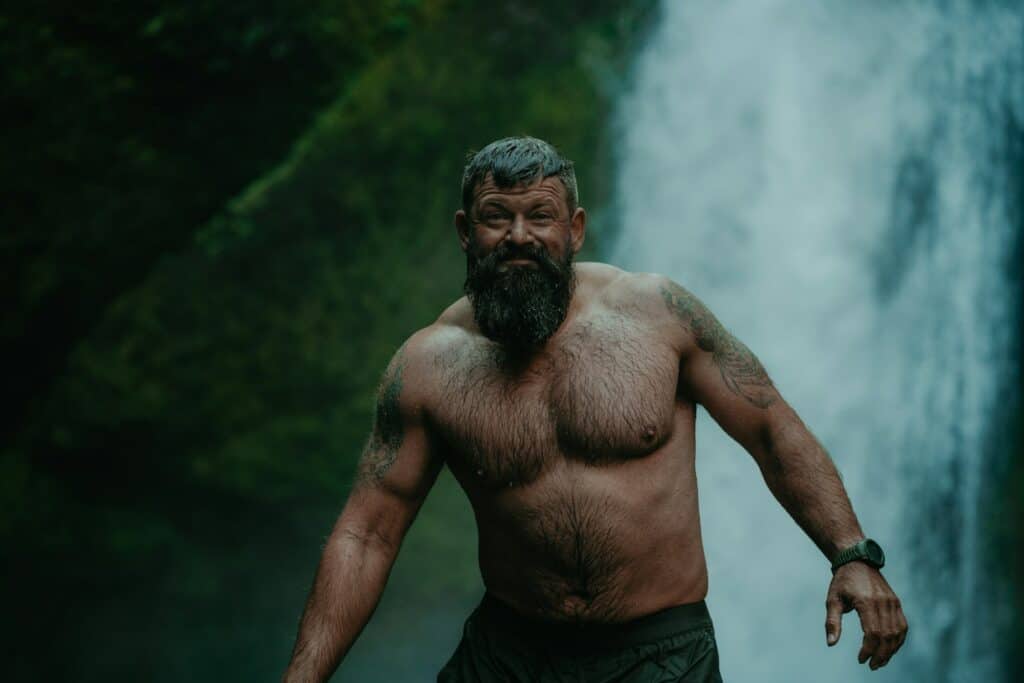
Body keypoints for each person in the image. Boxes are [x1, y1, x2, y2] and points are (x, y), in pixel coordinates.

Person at [282, 136, 909, 682]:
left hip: (662, 656)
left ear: (575, 229)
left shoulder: (659, 316)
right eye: (496, 217)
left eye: (540, 217)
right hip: (510, 656)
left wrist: (851, 555)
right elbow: (367, 533)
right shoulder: (427, 366)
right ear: (464, 231)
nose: (518, 237)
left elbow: (771, 428)